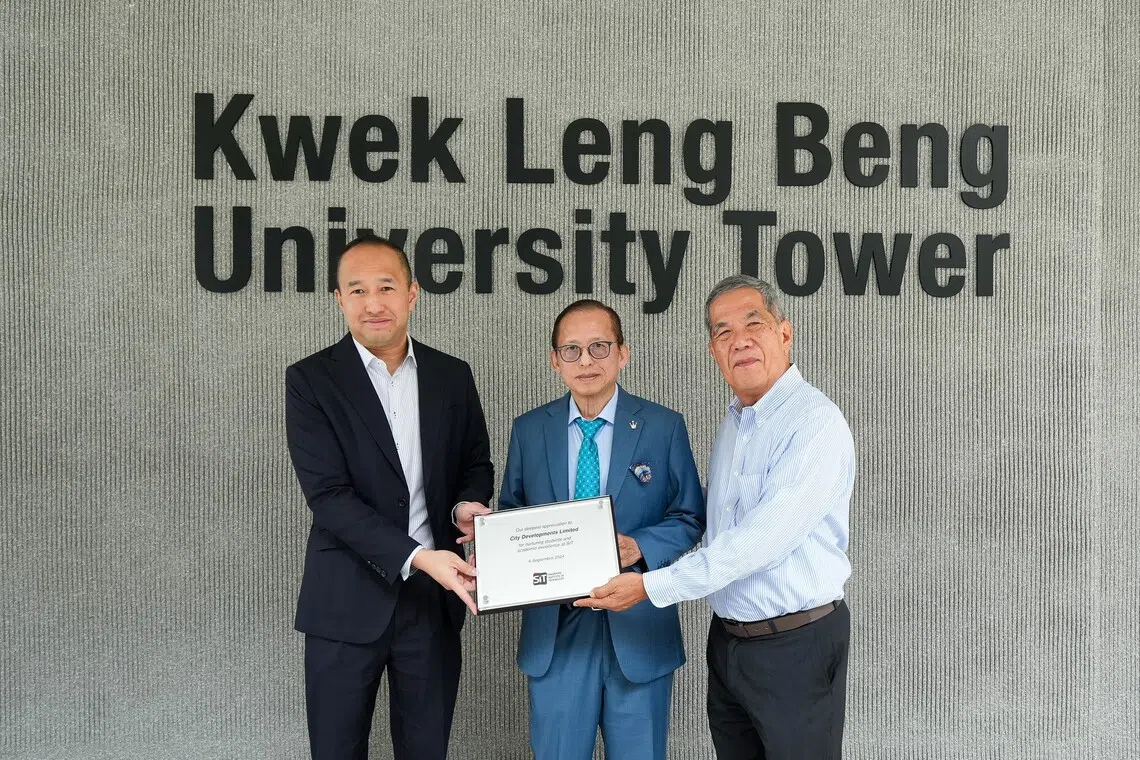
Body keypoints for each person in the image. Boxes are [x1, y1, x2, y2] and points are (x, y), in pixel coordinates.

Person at [577, 275, 855, 760]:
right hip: (730, 643)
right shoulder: (735, 423)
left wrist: (649, 586)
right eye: (723, 332)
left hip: (795, 646)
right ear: (713, 351)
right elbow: (715, 516)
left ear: (784, 333)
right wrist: (640, 543)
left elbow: (760, 540)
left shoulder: (815, 422)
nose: (739, 340)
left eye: (754, 323)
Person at [284, 236, 494, 760]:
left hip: (432, 604)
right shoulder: (311, 380)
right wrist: (421, 557)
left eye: (386, 287)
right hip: (344, 601)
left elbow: (475, 462)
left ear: (412, 294)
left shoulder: (452, 375)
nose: (373, 303)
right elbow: (329, 497)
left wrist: (464, 507)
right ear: (338, 298)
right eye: (357, 290)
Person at [495, 299, 706, 760]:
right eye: (571, 350)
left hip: (638, 627)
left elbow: (690, 516)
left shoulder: (663, 426)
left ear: (623, 353)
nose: (585, 360)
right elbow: (511, 516)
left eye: (598, 347)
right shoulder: (529, 431)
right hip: (557, 628)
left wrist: (639, 547)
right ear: (555, 360)